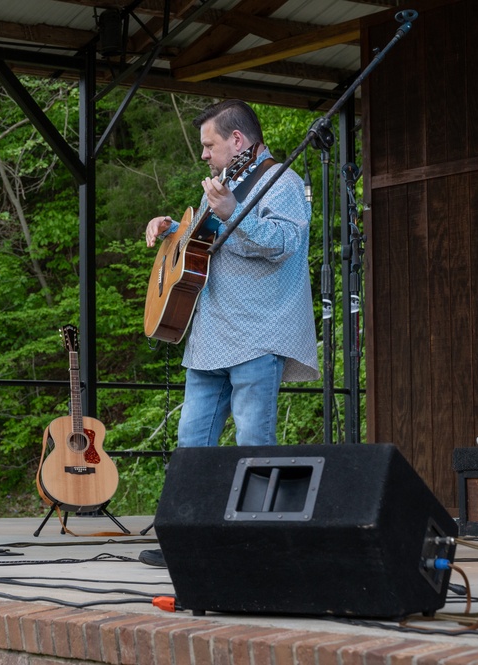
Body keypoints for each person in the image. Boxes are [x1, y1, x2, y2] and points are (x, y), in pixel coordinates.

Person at [139, 100, 318, 566]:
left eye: (209, 144)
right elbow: (206, 237)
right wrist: (172, 228)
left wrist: (234, 207)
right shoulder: (223, 185)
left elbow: (283, 245)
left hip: (258, 333)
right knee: (192, 442)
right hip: (212, 334)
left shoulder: (283, 182)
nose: (204, 155)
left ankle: (258, 544)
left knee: (253, 442)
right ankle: (183, 539)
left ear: (236, 140)